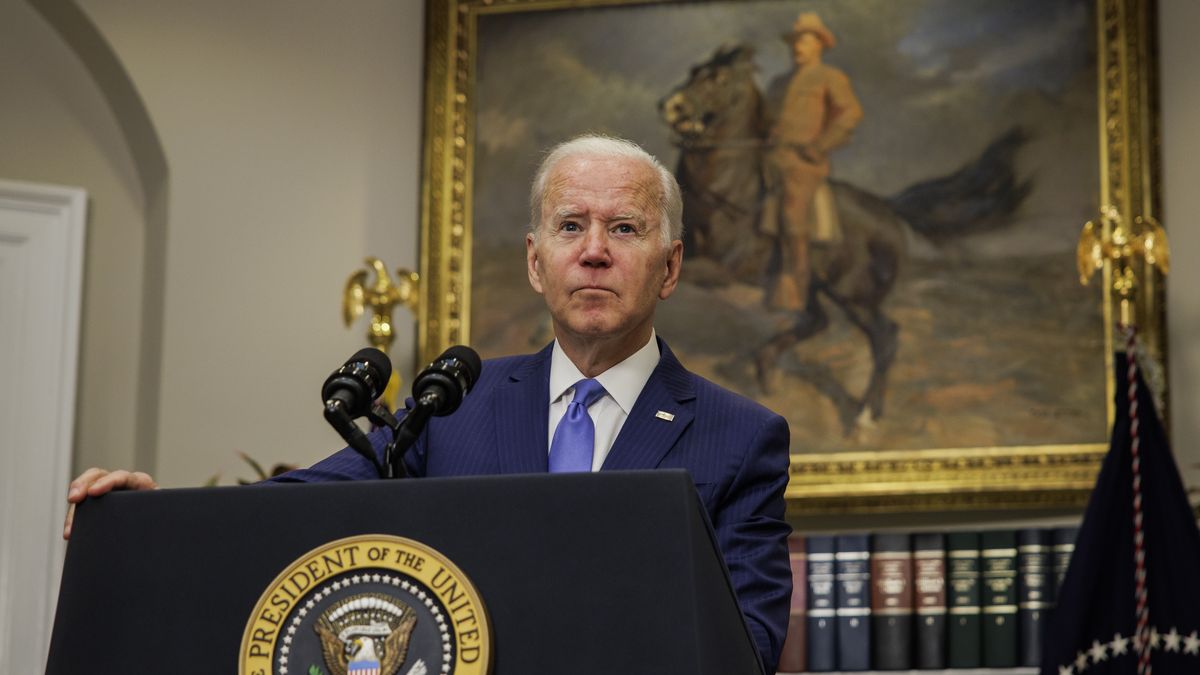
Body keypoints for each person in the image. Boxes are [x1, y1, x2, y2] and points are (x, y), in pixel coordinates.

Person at [65, 135, 793, 672]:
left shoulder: (740, 436)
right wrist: (155, 515)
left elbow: (748, 644)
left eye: (624, 228)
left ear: (669, 267)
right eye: (571, 226)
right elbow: (303, 505)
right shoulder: (455, 407)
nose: (594, 250)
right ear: (536, 263)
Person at [762, 12, 863, 312]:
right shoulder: (778, 82)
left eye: (805, 40)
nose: (797, 47)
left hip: (803, 163)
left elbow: (849, 115)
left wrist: (820, 146)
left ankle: (797, 288)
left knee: (793, 214)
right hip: (770, 159)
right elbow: (766, 119)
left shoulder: (830, 77)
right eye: (795, 41)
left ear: (820, 44)